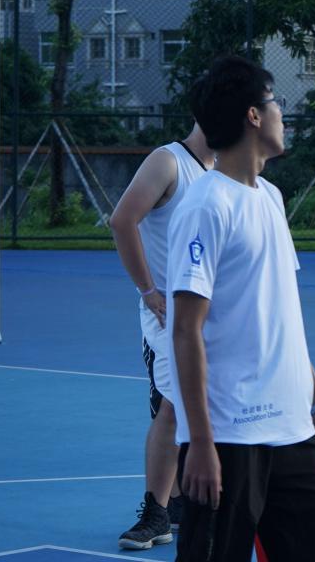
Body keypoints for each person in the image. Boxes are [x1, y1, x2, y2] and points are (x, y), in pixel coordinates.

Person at [166, 55, 315, 559]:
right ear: (253, 115)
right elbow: (185, 330)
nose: (282, 115)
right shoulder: (206, 206)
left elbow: (279, 318)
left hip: (292, 430)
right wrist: (200, 442)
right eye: (277, 103)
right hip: (229, 435)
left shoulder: (271, 197)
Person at [110, 122, 212, 549]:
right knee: (174, 406)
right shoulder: (168, 161)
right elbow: (122, 221)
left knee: (206, 408)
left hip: (210, 313)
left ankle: (178, 502)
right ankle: (156, 511)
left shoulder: (226, 172)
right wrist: (148, 290)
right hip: (169, 313)